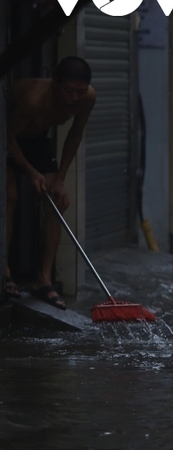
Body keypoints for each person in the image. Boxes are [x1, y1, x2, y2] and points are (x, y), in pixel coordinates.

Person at [4, 56, 97, 308]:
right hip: (8, 139)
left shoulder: (87, 98)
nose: (75, 98)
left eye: (80, 91)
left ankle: (43, 280)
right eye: (69, 91)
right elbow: (8, 138)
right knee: (9, 198)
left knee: (56, 200)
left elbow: (75, 134)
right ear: (55, 84)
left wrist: (60, 178)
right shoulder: (33, 98)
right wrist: (31, 172)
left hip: (36, 141)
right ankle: (4, 272)